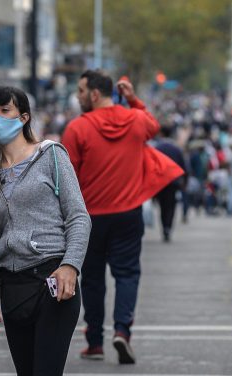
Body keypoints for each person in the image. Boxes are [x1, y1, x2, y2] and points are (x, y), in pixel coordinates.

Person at [61, 70, 182, 364]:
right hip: (128, 213)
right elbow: (153, 126)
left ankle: (94, 342)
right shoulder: (136, 120)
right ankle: (123, 331)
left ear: (94, 94)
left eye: (80, 91)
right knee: (127, 274)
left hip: (89, 217)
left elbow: (68, 177)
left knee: (91, 279)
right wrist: (133, 99)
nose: (77, 97)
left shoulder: (77, 129)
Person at [0, 86, 91, 376]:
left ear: (24, 117)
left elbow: (78, 217)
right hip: (13, 289)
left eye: (5, 110)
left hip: (53, 282)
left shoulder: (51, 155)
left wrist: (70, 266)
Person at [153, 126, 187, 241]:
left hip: (159, 182)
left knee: (162, 206)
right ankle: (168, 227)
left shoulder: (157, 148)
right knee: (171, 206)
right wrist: (185, 182)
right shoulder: (176, 149)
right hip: (173, 182)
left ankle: (164, 227)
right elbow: (183, 166)